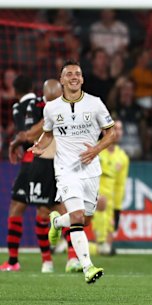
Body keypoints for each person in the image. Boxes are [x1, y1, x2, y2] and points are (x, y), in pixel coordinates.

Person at [28, 60, 117, 284]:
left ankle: (57, 223)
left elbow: (111, 133)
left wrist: (96, 149)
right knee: (77, 217)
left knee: (85, 219)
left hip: (91, 170)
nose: (74, 77)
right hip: (66, 170)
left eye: (77, 73)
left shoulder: (95, 104)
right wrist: (40, 145)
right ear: (62, 80)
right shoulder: (51, 108)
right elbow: (48, 134)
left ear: (83, 79)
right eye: (69, 74)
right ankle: (87, 267)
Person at [0, 76, 55, 272]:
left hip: (32, 161)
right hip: (50, 159)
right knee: (49, 209)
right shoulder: (44, 101)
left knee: (17, 207)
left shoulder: (17, 108)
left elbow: (25, 134)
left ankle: (14, 261)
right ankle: (54, 260)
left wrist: (17, 141)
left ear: (15, 92)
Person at [93, 120, 129, 255]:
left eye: (120, 129)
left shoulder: (123, 157)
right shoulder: (96, 149)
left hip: (111, 198)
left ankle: (100, 246)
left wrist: (117, 208)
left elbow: (120, 185)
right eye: (115, 128)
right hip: (93, 194)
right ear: (104, 131)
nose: (117, 132)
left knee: (106, 250)